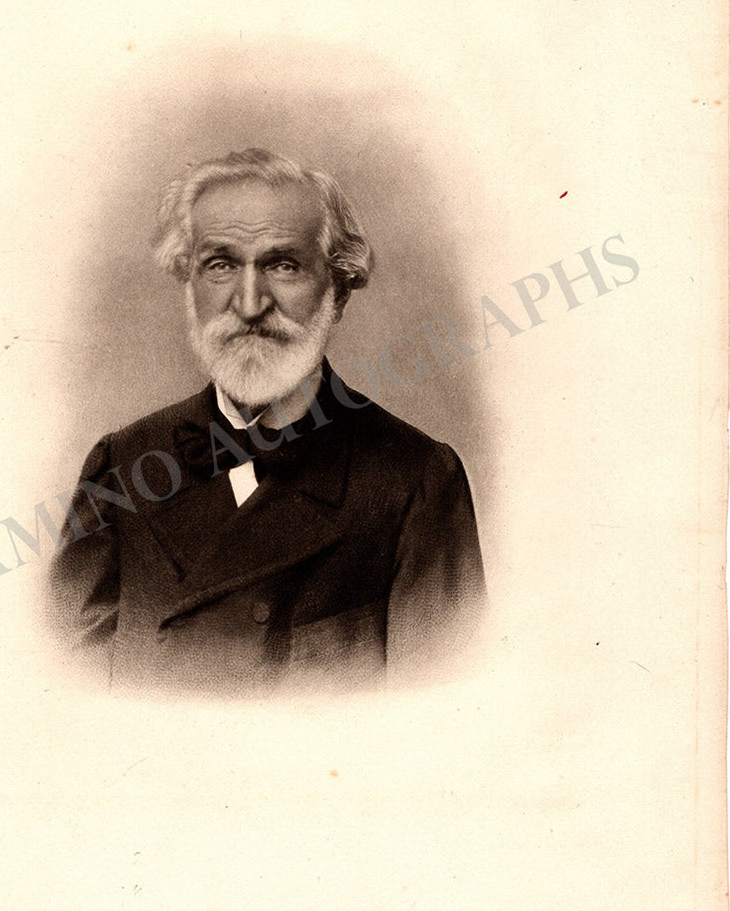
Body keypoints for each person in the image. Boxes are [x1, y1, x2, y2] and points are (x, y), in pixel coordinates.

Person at [49, 148, 485, 694]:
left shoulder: (417, 481)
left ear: (338, 291)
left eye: (284, 265)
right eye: (220, 265)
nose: (251, 304)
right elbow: (65, 701)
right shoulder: (122, 463)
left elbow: (436, 716)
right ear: (188, 287)